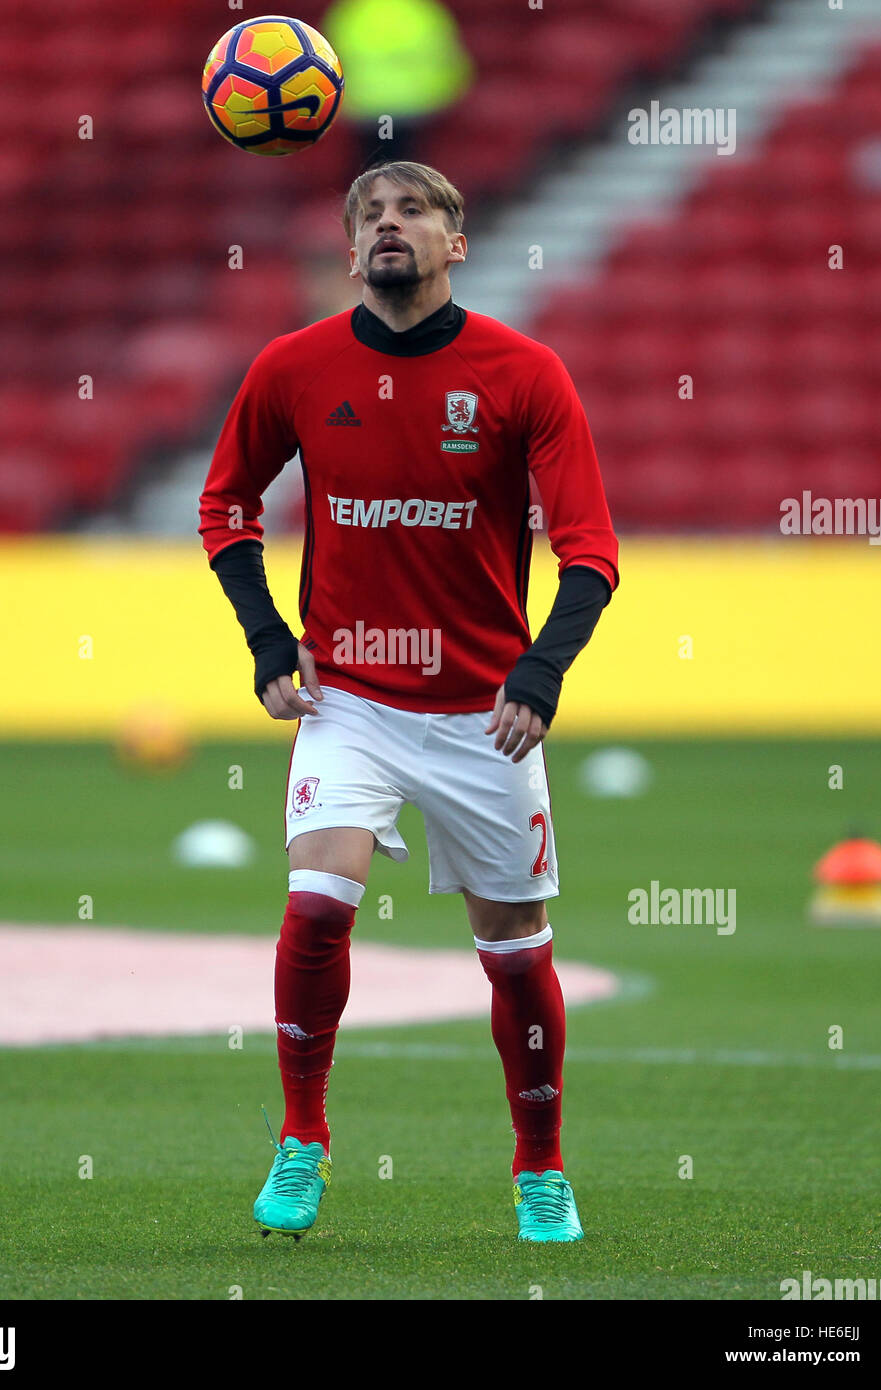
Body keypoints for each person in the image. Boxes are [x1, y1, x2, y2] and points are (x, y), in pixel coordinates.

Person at [199, 161, 619, 1243]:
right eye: (369, 216)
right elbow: (226, 503)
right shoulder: (294, 367)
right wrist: (265, 638)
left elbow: (589, 552)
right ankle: (302, 1138)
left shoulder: (523, 373)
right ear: (349, 253)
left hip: (485, 709)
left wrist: (539, 672)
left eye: (414, 211)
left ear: (455, 242)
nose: (390, 226)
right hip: (350, 697)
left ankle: (540, 1165)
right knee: (315, 902)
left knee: (514, 948)